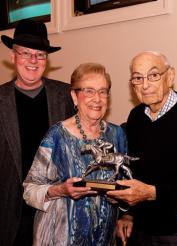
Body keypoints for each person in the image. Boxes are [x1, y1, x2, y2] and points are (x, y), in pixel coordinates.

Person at [0, 19, 75, 246]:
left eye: (40, 55)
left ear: (46, 60)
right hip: (5, 216)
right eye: (25, 53)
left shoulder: (65, 95)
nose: (33, 61)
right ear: (12, 57)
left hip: (54, 212)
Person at [107, 51, 177, 246]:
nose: (145, 85)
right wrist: (129, 216)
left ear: (170, 76)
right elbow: (134, 173)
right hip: (139, 231)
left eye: (153, 75)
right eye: (137, 78)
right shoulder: (135, 117)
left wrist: (152, 192)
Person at [23, 63, 127, 245]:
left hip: (103, 237)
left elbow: (125, 184)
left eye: (103, 92)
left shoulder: (117, 134)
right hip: (60, 237)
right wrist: (61, 190)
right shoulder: (57, 135)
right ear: (74, 96)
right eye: (89, 91)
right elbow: (29, 190)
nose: (97, 98)